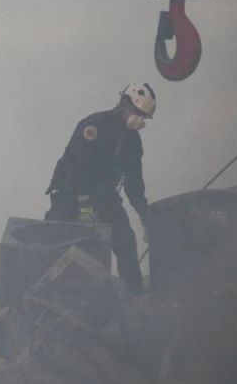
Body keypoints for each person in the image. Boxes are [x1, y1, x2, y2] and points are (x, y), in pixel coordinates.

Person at [44, 84, 156, 294]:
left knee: (125, 240)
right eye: (138, 113)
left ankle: (134, 297)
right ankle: (43, 294)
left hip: (103, 194)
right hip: (69, 191)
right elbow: (76, 166)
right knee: (54, 240)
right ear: (125, 104)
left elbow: (133, 180)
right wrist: (84, 205)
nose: (140, 120)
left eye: (144, 117)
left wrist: (144, 212)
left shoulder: (132, 142)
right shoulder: (94, 125)